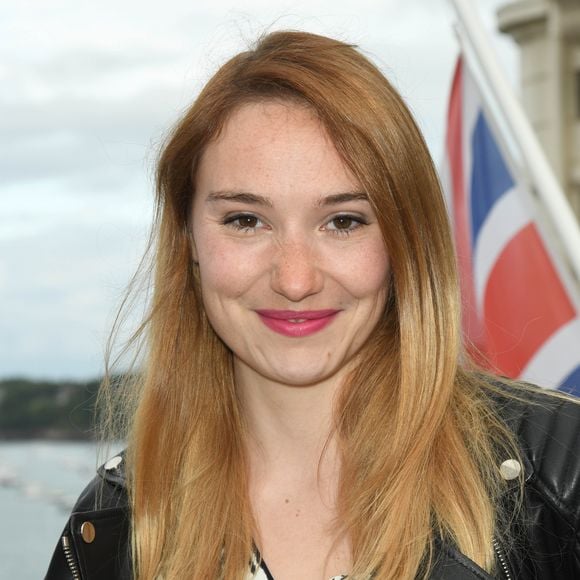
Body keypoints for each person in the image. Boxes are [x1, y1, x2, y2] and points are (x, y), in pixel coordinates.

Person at [45, 31, 580, 580]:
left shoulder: (559, 478)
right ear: (189, 243)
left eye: (343, 221)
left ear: (405, 242)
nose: (295, 280)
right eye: (245, 220)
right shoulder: (111, 526)